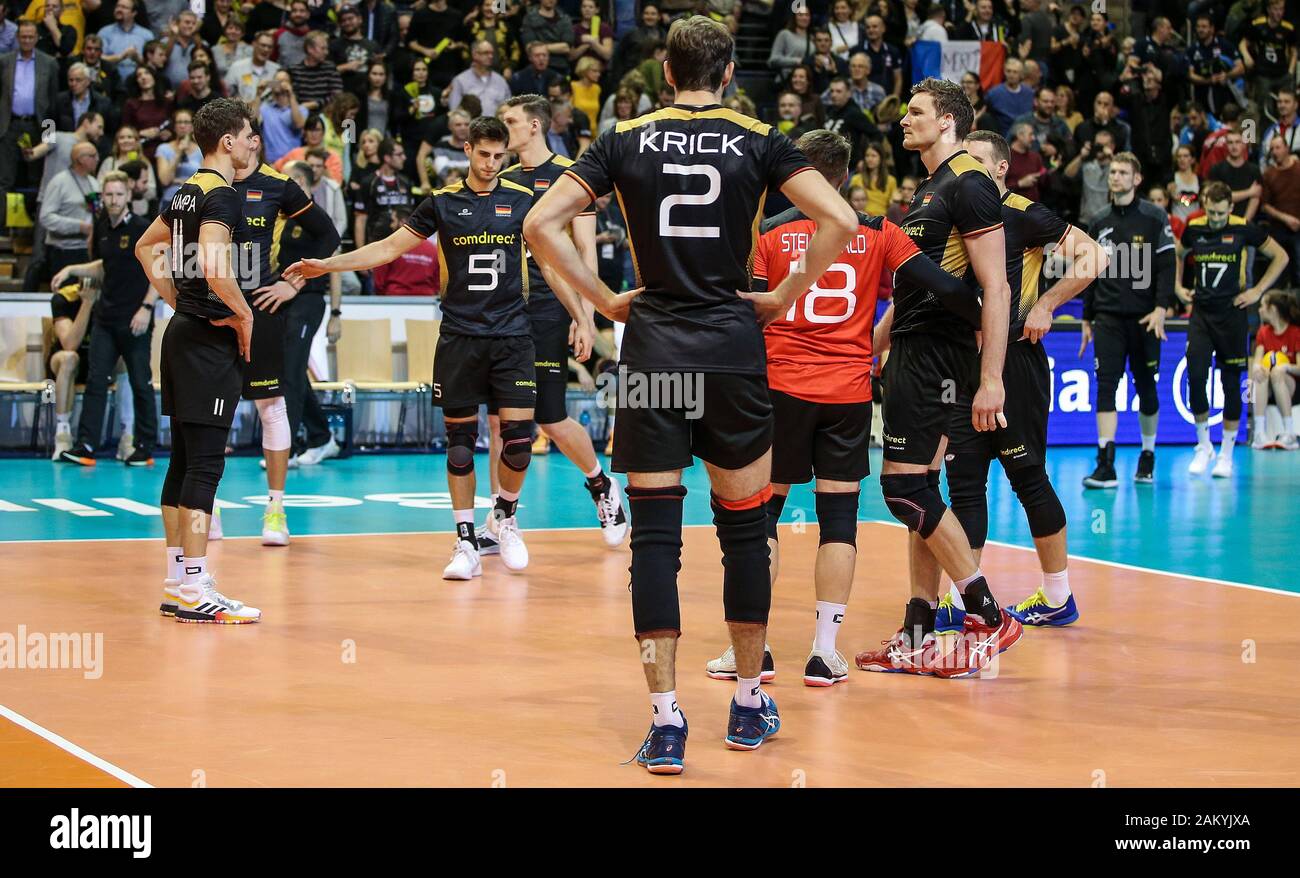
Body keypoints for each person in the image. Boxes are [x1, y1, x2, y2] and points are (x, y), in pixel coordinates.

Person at [523, 17, 857, 773]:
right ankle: (745, 703)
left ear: (666, 74)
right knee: (744, 530)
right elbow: (840, 217)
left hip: (655, 355)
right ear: (731, 71)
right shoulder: (761, 134)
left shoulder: (624, 136)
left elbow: (539, 222)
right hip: (734, 354)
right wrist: (784, 296)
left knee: (654, 539)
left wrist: (606, 300)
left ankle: (667, 720)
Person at [707, 128, 985, 686]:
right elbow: (940, 287)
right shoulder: (878, 231)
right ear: (846, 176)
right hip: (849, 396)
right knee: (839, 522)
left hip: (780, 391)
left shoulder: (769, 234)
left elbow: (746, 312)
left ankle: (753, 652)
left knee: (763, 517)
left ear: (798, 176)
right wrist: (988, 314)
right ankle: (824, 653)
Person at [284, 116, 540, 578]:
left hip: (513, 337)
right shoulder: (442, 203)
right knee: (461, 447)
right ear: (467, 150)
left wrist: (584, 313)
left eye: (499, 156)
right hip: (460, 337)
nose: (491, 163)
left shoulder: (523, 200)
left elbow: (555, 258)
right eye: (483, 154)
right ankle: (465, 543)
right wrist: (329, 265)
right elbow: (387, 248)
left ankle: (504, 518)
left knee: (519, 444)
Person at [849, 77, 1015, 681]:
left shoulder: (969, 181)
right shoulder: (930, 187)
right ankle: (918, 633)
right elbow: (911, 282)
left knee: (903, 492)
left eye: (915, 113)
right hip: (913, 349)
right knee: (924, 491)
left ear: (948, 121)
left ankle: (988, 614)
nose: (903, 121)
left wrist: (991, 376)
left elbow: (996, 287)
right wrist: (873, 349)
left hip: (939, 356)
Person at [949, 130, 1108, 628]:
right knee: (964, 485)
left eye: (975, 162)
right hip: (961, 363)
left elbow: (1096, 256)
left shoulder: (1022, 211)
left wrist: (1047, 303)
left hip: (1016, 360)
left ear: (1000, 169)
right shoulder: (952, 212)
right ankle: (964, 602)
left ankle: (1058, 596)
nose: (965, 171)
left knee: (1028, 477)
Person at [133, 97, 262, 624]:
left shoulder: (186, 191)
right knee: (205, 464)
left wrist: (174, 300)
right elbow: (212, 264)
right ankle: (194, 585)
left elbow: (145, 247)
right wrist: (244, 314)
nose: (254, 142)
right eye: (249, 134)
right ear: (227, 142)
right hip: (208, 342)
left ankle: (177, 581)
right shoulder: (223, 195)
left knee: (183, 461)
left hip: (181, 334)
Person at [490, 93, 628, 554]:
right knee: (500, 420)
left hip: (553, 304)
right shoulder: (502, 177)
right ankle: (501, 520)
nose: (500, 127)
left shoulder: (572, 175)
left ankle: (601, 486)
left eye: (508, 121)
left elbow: (585, 251)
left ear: (534, 125)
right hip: (506, 308)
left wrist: (584, 316)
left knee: (549, 415)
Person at [226, 130, 341, 543]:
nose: (226, 146)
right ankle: (210, 508)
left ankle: (275, 510)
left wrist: (293, 284)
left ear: (252, 141)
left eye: (232, 137)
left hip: (264, 309)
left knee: (271, 404)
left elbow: (329, 236)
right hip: (217, 311)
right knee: (211, 413)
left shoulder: (278, 187)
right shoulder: (210, 184)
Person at [1175, 182, 1290, 480]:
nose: (1215, 218)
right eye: (1211, 212)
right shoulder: (1194, 226)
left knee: (1230, 383)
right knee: (1197, 376)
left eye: (1220, 213)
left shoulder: (1243, 228)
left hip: (1233, 313)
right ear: (1204, 205)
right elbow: (1177, 253)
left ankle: (1226, 453)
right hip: (1201, 312)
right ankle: (1203, 446)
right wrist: (1178, 286)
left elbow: (1281, 257)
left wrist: (1257, 291)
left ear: (1230, 208)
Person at [1080, 152, 1176, 488]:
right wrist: (1086, 317)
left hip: (1145, 318)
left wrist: (1162, 308)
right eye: (1112, 172)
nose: (1115, 177)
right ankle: (1105, 463)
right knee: (1105, 387)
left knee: (1147, 389)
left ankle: (1147, 455)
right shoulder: (1098, 220)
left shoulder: (1153, 216)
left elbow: (1167, 266)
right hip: (1107, 318)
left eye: (1122, 172)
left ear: (1137, 179)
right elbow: (1089, 272)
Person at [50, 172, 157, 467]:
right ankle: (86, 445)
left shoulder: (141, 228)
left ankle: (144, 446)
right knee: (97, 381)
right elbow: (104, 265)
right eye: (108, 195)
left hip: (134, 319)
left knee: (140, 382)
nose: (113, 200)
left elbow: (160, 269)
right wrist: (73, 269)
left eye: (119, 195)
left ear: (128, 197)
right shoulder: (101, 228)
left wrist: (146, 309)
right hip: (105, 319)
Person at [277, 160, 342, 468]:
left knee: (290, 370)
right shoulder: (282, 217)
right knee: (289, 371)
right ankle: (321, 437)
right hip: (284, 301)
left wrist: (337, 313)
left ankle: (285, 448)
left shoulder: (317, 218)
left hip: (310, 300)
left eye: (289, 181)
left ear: (302, 184)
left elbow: (336, 266)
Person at [1251, 290, 1300, 449]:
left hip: (1291, 385)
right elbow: (1257, 360)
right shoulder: (1263, 332)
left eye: (1263, 306)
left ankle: (1289, 433)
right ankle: (1259, 433)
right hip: (1268, 387)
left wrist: (1285, 367)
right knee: (1260, 375)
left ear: (1273, 310)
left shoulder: (1295, 333)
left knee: (1276, 373)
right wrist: (1258, 368)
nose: (1259, 310)